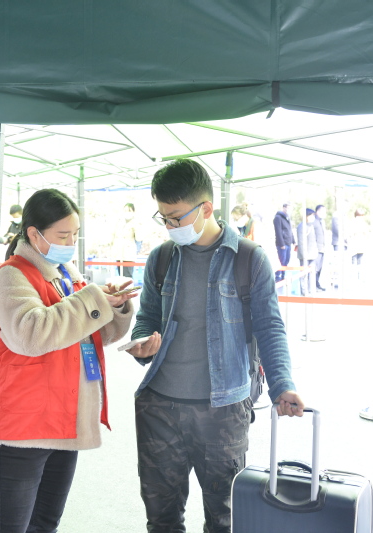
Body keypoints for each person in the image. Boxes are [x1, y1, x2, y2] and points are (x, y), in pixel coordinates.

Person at [125, 159, 304, 533]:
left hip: (223, 410)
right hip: (160, 409)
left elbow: (270, 327)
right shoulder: (161, 258)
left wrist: (283, 385)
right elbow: (148, 316)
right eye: (163, 218)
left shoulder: (248, 258)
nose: (170, 226)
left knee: (224, 519)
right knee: (161, 520)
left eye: (176, 217)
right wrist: (143, 342)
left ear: (206, 208)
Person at [0, 188, 137, 532]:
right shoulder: (11, 275)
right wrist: (91, 300)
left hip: (62, 419)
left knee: (45, 524)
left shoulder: (66, 274)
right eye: (63, 235)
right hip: (19, 427)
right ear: (34, 234)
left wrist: (115, 306)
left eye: (75, 234)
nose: (71, 242)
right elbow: (31, 335)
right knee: (9, 527)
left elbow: (91, 334)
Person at [296, 208, 318, 296]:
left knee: (311, 274)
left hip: (312, 254)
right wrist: (304, 255)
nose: (313, 217)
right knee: (304, 274)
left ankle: (310, 290)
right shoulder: (302, 226)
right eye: (311, 215)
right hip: (305, 255)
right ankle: (304, 291)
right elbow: (301, 242)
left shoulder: (310, 226)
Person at [114, 202, 138, 277]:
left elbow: (139, 238)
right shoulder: (119, 222)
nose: (127, 212)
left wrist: (135, 226)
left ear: (133, 212)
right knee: (121, 276)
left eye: (129, 210)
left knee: (127, 277)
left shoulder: (136, 223)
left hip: (128, 255)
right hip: (119, 254)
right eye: (125, 210)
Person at [273, 203, 295, 282]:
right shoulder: (278, 218)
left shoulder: (287, 218)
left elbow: (290, 231)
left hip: (288, 243)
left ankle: (283, 275)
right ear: (283, 208)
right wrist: (282, 244)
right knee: (281, 261)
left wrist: (294, 241)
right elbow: (278, 232)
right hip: (282, 244)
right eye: (288, 208)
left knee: (286, 260)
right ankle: (278, 277)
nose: (289, 210)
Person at [349, 208, 370, 283]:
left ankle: (360, 277)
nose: (360, 217)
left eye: (362, 216)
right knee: (353, 262)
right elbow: (350, 233)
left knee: (360, 262)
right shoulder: (352, 223)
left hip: (361, 245)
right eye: (359, 215)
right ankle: (353, 278)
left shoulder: (363, 224)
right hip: (354, 245)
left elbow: (366, 233)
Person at [313, 204, 327, 291]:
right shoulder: (314, 221)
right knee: (315, 268)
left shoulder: (321, 221)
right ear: (317, 211)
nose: (324, 213)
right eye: (323, 211)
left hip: (322, 248)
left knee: (319, 268)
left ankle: (317, 284)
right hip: (316, 249)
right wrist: (317, 247)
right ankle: (313, 285)